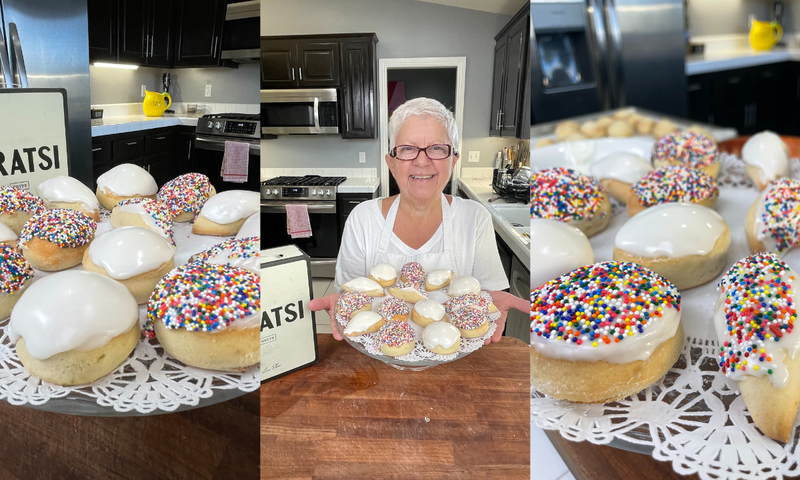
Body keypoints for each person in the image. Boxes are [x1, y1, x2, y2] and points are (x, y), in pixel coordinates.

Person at [309, 97, 528, 343]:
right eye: (408, 148)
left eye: (437, 148)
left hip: (456, 364)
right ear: (391, 163)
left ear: (453, 160)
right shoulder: (363, 220)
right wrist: (345, 306)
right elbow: (350, 294)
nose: (422, 161)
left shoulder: (475, 219)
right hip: (374, 364)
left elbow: (487, 295)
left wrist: (491, 302)